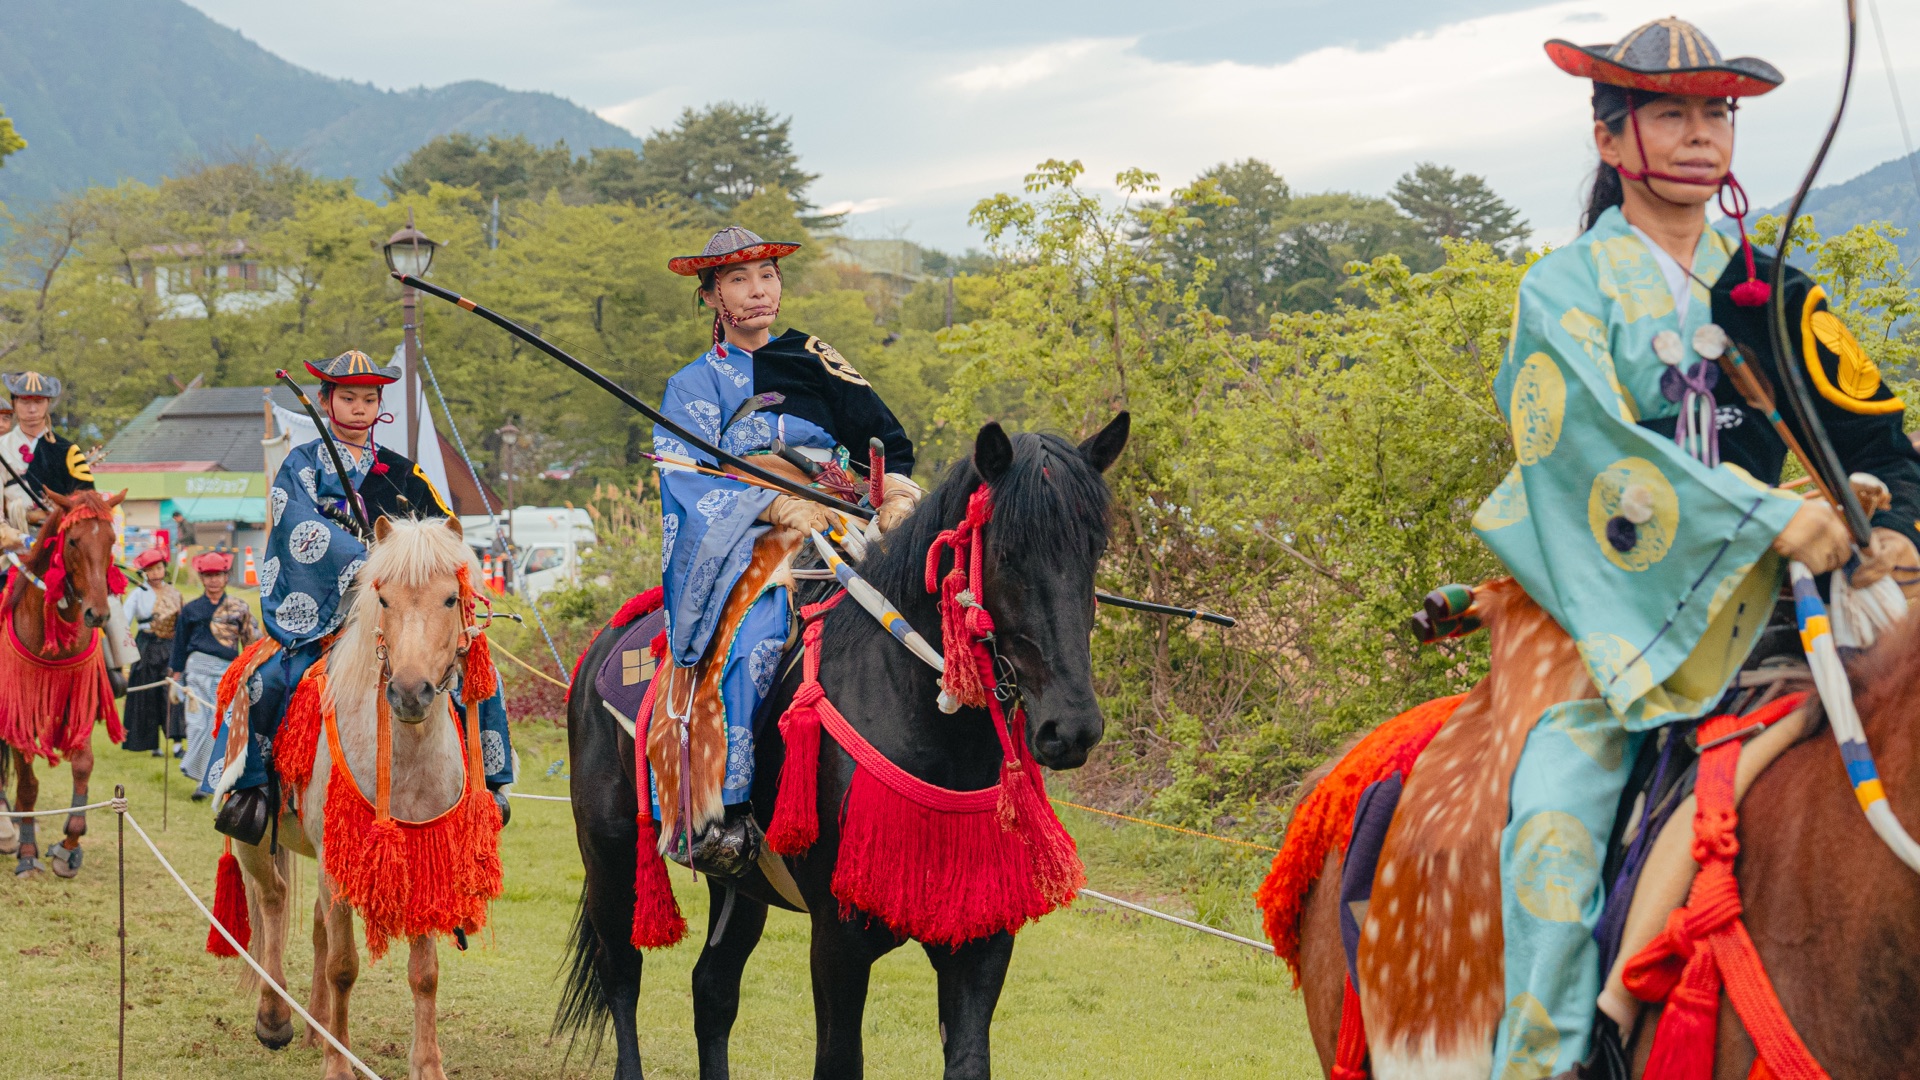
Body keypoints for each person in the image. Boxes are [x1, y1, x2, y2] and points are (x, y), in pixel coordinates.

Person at [1474, 18, 1920, 1072]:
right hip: (1612, 624)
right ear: (1609, 132)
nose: (1698, 135)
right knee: (1554, 823)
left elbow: (1884, 442)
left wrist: (1891, 528)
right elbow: (1586, 457)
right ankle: (1563, 1052)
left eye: (1715, 113)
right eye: (1670, 113)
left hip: (1796, 609)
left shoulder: (1774, 292)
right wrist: (1769, 517)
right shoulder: (1564, 291)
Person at [654, 226, 922, 871]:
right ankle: (723, 810)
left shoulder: (815, 358)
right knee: (757, 633)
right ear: (713, 295)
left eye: (768, 276)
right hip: (751, 532)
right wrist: (773, 503)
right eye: (740, 280)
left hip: (841, 515)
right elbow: (687, 477)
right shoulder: (693, 385)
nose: (758, 290)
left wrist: (894, 493)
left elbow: (879, 441)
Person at [213, 349, 516, 842]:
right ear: (327, 400)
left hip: (402, 613)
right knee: (265, 678)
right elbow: (297, 526)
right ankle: (255, 793)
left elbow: (443, 534)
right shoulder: (302, 464)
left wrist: (457, 573)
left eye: (369, 399)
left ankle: (490, 786)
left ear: (380, 406)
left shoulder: (404, 474)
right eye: (348, 397)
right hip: (329, 612)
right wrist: (370, 560)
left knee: (481, 673)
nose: (359, 408)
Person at [171, 550, 259, 799]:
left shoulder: (239, 609)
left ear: (226, 576)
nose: (213, 580)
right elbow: (179, 644)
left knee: (217, 725)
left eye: (217, 575)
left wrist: (250, 671)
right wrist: (176, 677)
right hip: (196, 672)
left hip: (226, 674)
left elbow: (250, 644)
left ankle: (208, 780)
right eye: (208, 575)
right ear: (201, 578)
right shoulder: (190, 610)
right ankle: (200, 778)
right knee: (197, 724)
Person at [121, 546, 183, 757]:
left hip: (170, 647)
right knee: (147, 694)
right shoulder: (138, 594)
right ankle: (152, 744)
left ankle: (176, 744)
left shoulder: (174, 593)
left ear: (165, 568)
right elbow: (124, 621)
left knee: (171, 693)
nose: (155, 573)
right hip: (146, 647)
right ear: (144, 573)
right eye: (150, 570)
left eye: (158, 568)